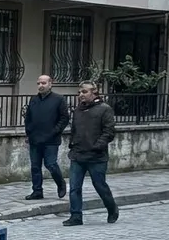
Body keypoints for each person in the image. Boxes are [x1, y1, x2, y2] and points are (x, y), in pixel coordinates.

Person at [64, 81, 118, 226]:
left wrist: (97, 146)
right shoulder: (78, 110)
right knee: (75, 187)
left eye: (84, 92)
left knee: (99, 185)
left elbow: (109, 132)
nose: (80, 95)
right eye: (79, 92)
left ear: (94, 92)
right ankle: (76, 216)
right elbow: (74, 130)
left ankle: (112, 208)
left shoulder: (104, 109)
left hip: (96, 156)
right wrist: (73, 144)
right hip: (78, 154)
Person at [23, 74, 69, 200]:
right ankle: (37, 191)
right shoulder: (34, 99)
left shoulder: (59, 99)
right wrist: (28, 133)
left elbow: (64, 118)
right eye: (38, 83)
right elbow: (29, 118)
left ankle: (60, 183)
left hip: (51, 139)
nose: (40, 86)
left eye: (43, 83)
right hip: (35, 138)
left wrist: (55, 131)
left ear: (50, 84)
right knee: (35, 166)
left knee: (51, 164)